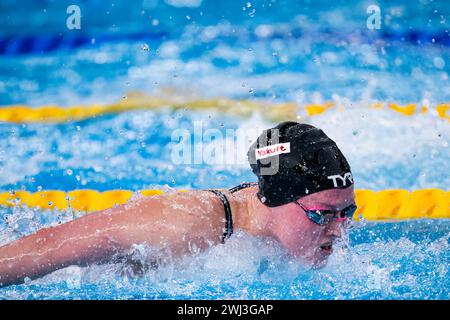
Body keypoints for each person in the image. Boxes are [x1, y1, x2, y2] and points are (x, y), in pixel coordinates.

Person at [0, 121, 356, 288]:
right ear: (273, 201)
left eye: (347, 213)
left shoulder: (289, 224)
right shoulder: (183, 225)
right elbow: (48, 248)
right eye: (323, 216)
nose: (340, 231)